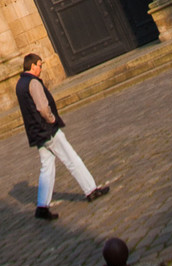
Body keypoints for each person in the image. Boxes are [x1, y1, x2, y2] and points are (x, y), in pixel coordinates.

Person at [16, 52, 110, 220]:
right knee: (71, 159)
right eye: (39, 66)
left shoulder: (20, 84)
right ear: (32, 66)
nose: (40, 69)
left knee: (47, 167)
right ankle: (91, 190)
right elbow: (42, 107)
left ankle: (42, 206)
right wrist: (52, 119)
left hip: (37, 132)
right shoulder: (33, 82)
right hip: (48, 130)